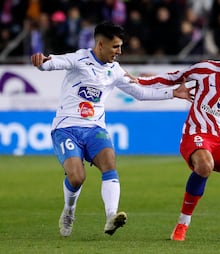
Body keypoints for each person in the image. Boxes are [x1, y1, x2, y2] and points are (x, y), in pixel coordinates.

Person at [30, 21, 192, 237]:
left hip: (95, 128)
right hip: (66, 128)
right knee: (77, 177)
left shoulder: (115, 71)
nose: (119, 51)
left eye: (120, 46)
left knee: (109, 162)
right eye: (115, 46)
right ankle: (69, 211)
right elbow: (56, 62)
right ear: (100, 45)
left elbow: (140, 92)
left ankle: (111, 217)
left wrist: (172, 93)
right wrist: (42, 62)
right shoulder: (79, 59)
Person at [138, 35, 220, 241]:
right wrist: (138, 81)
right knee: (205, 166)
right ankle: (182, 225)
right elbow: (173, 77)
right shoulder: (205, 70)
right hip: (195, 134)